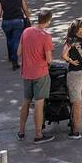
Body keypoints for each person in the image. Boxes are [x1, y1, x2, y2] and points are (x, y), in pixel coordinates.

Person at [18, 10, 55, 143]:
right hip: (40, 73)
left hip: (26, 72)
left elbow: (19, 52)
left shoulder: (26, 31)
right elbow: (49, 59)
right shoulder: (46, 36)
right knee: (39, 103)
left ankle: (21, 131)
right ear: (48, 21)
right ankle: (38, 134)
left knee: (26, 101)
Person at [0, 0, 32, 70]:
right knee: (16, 40)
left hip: (6, 22)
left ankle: (11, 55)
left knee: (9, 39)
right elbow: (25, 9)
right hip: (18, 21)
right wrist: (28, 16)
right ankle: (14, 60)